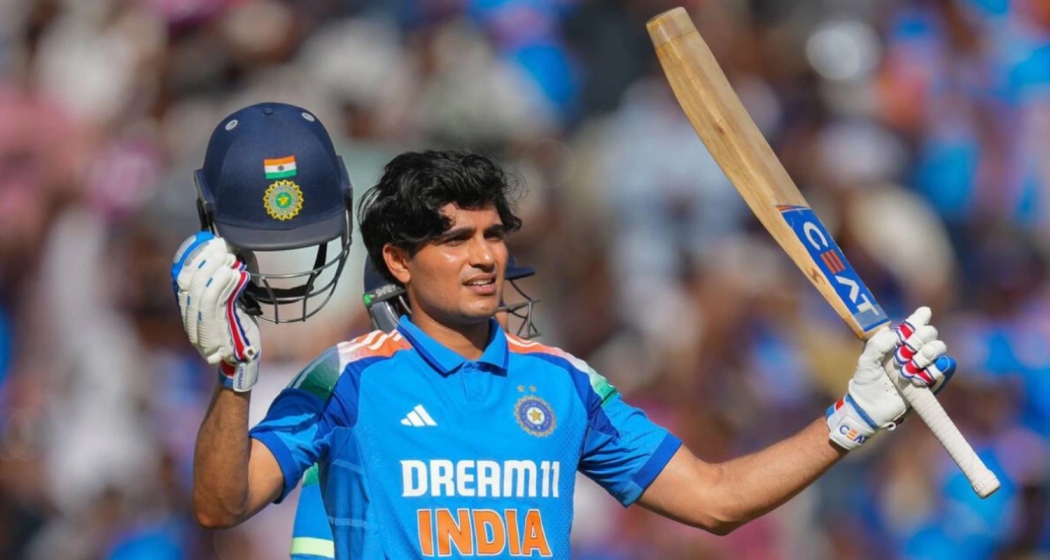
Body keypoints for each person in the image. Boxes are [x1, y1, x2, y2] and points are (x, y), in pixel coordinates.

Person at [173, 113, 957, 558]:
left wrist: (854, 415)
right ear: (399, 261)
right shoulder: (345, 378)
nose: (485, 257)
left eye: (493, 234)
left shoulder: (564, 383)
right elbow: (220, 504)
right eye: (455, 240)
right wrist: (236, 379)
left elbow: (716, 500)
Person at [290, 258, 541, 559]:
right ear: (401, 312)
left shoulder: (530, 420)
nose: (502, 319)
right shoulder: (351, 441)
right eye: (482, 303)